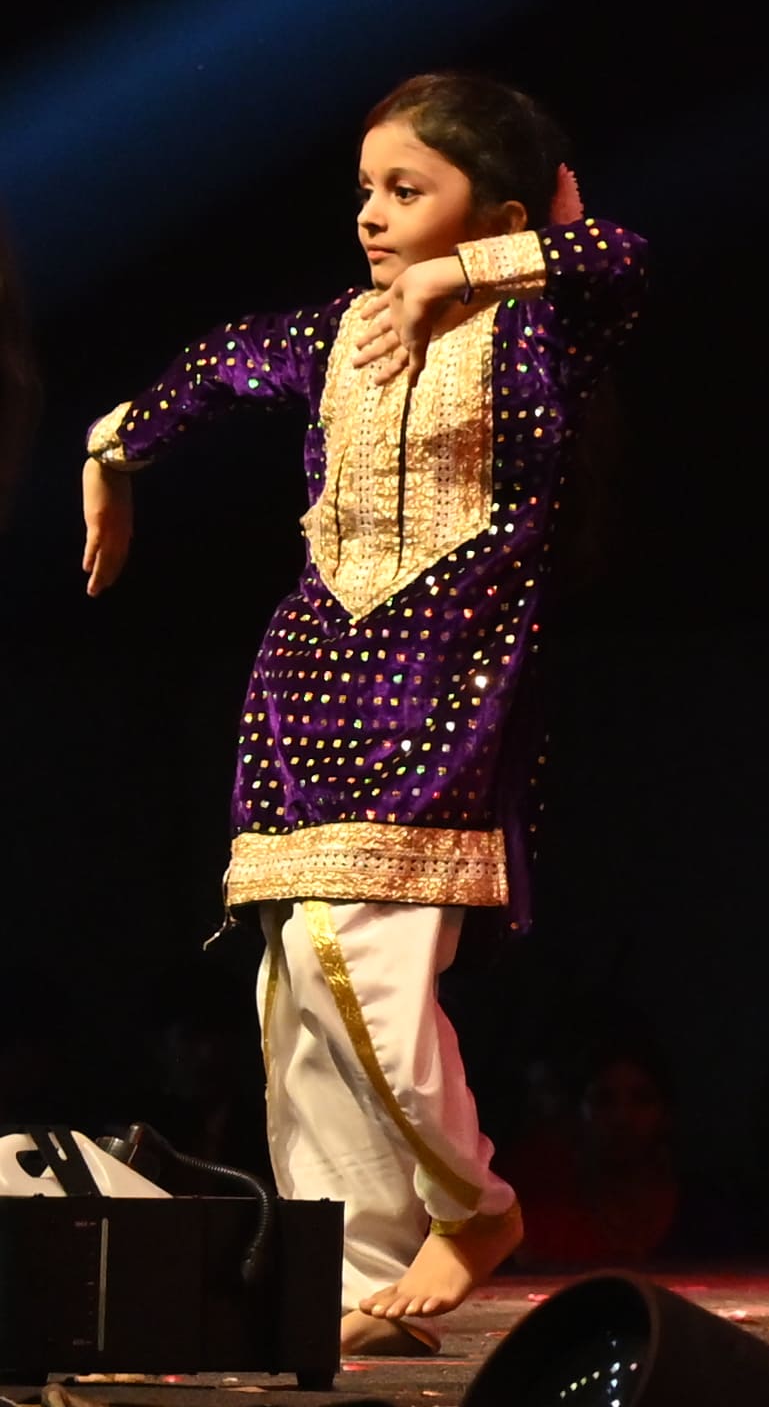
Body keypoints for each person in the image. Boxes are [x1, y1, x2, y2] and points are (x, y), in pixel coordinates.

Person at [80, 74, 642, 1356]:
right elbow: (214, 367)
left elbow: (620, 256)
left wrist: (482, 267)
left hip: (442, 695)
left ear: (495, 214)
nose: (373, 216)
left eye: (406, 190)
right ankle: (355, 1275)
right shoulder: (338, 330)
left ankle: (475, 1204)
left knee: (363, 965)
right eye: (365, 191)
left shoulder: (541, 333)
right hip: (306, 689)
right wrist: (112, 450)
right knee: (297, 1004)